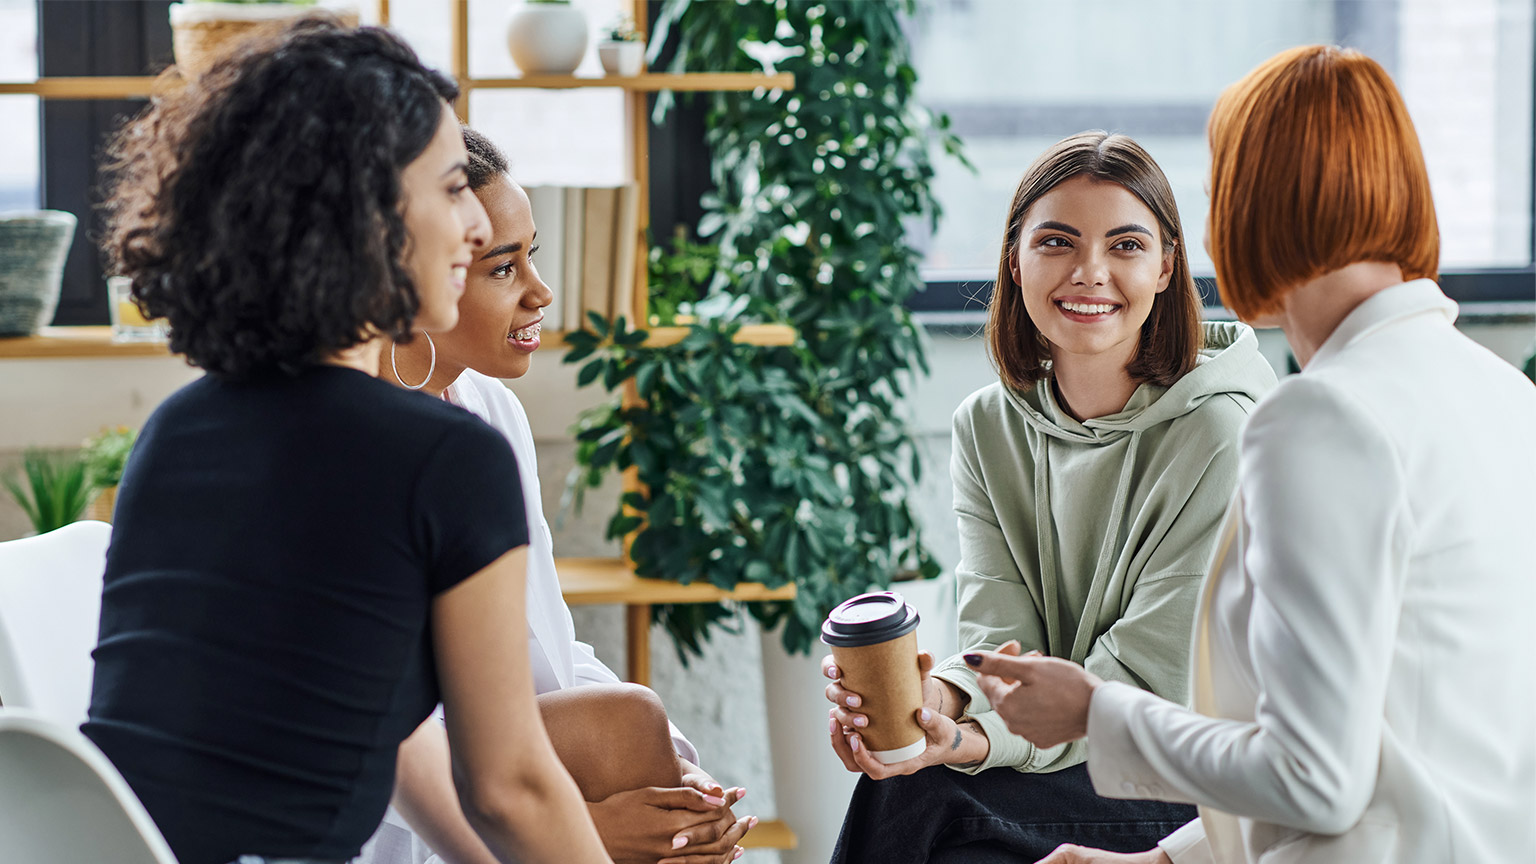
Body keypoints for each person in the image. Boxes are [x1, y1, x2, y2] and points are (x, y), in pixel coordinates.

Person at [968, 46, 1536, 864]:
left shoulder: (1321, 415)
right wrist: (1163, 861)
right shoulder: (1501, 393)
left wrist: (1095, 712)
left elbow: (1315, 776)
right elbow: (1384, 750)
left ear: (1246, 207)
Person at [84, 20, 612, 864]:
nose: (476, 232)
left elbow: (392, 732)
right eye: (450, 191)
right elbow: (509, 786)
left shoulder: (176, 434)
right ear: (366, 218)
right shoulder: (443, 458)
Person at [821, 131, 1277, 863]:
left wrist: (970, 745)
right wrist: (929, 710)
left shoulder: (1223, 433)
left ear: (1167, 268)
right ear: (1016, 259)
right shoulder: (987, 426)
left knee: (921, 799)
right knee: (911, 788)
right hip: (1065, 754)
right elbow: (1000, 641)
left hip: (1189, 773)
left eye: (1126, 246)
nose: (1090, 273)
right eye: (1057, 242)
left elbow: (1147, 682)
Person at [360, 127, 753, 864]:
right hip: (400, 820)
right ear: (410, 279)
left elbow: (552, 649)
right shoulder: (349, 449)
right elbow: (367, 742)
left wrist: (674, 774)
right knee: (624, 720)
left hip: (508, 773)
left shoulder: (489, 414)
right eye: (501, 268)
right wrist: (573, 830)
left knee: (639, 734)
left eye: (531, 253)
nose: (541, 292)